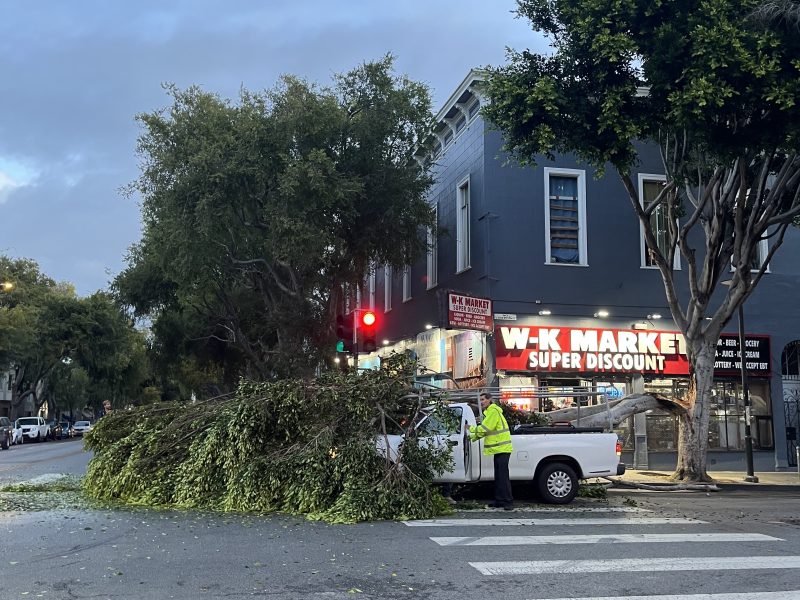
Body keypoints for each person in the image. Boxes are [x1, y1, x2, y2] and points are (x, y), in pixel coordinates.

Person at [468, 391, 513, 510]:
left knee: (502, 477)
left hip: (502, 448)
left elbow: (485, 429)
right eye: (481, 400)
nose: (481, 402)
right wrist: (472, 437)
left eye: (483, 400)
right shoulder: (491, 412)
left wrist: (471, 429)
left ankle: (508, 502)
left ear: (489, 400)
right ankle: (500, 500)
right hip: (499, 449)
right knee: (499, 476)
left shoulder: (493, 411)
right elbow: (487, 431)